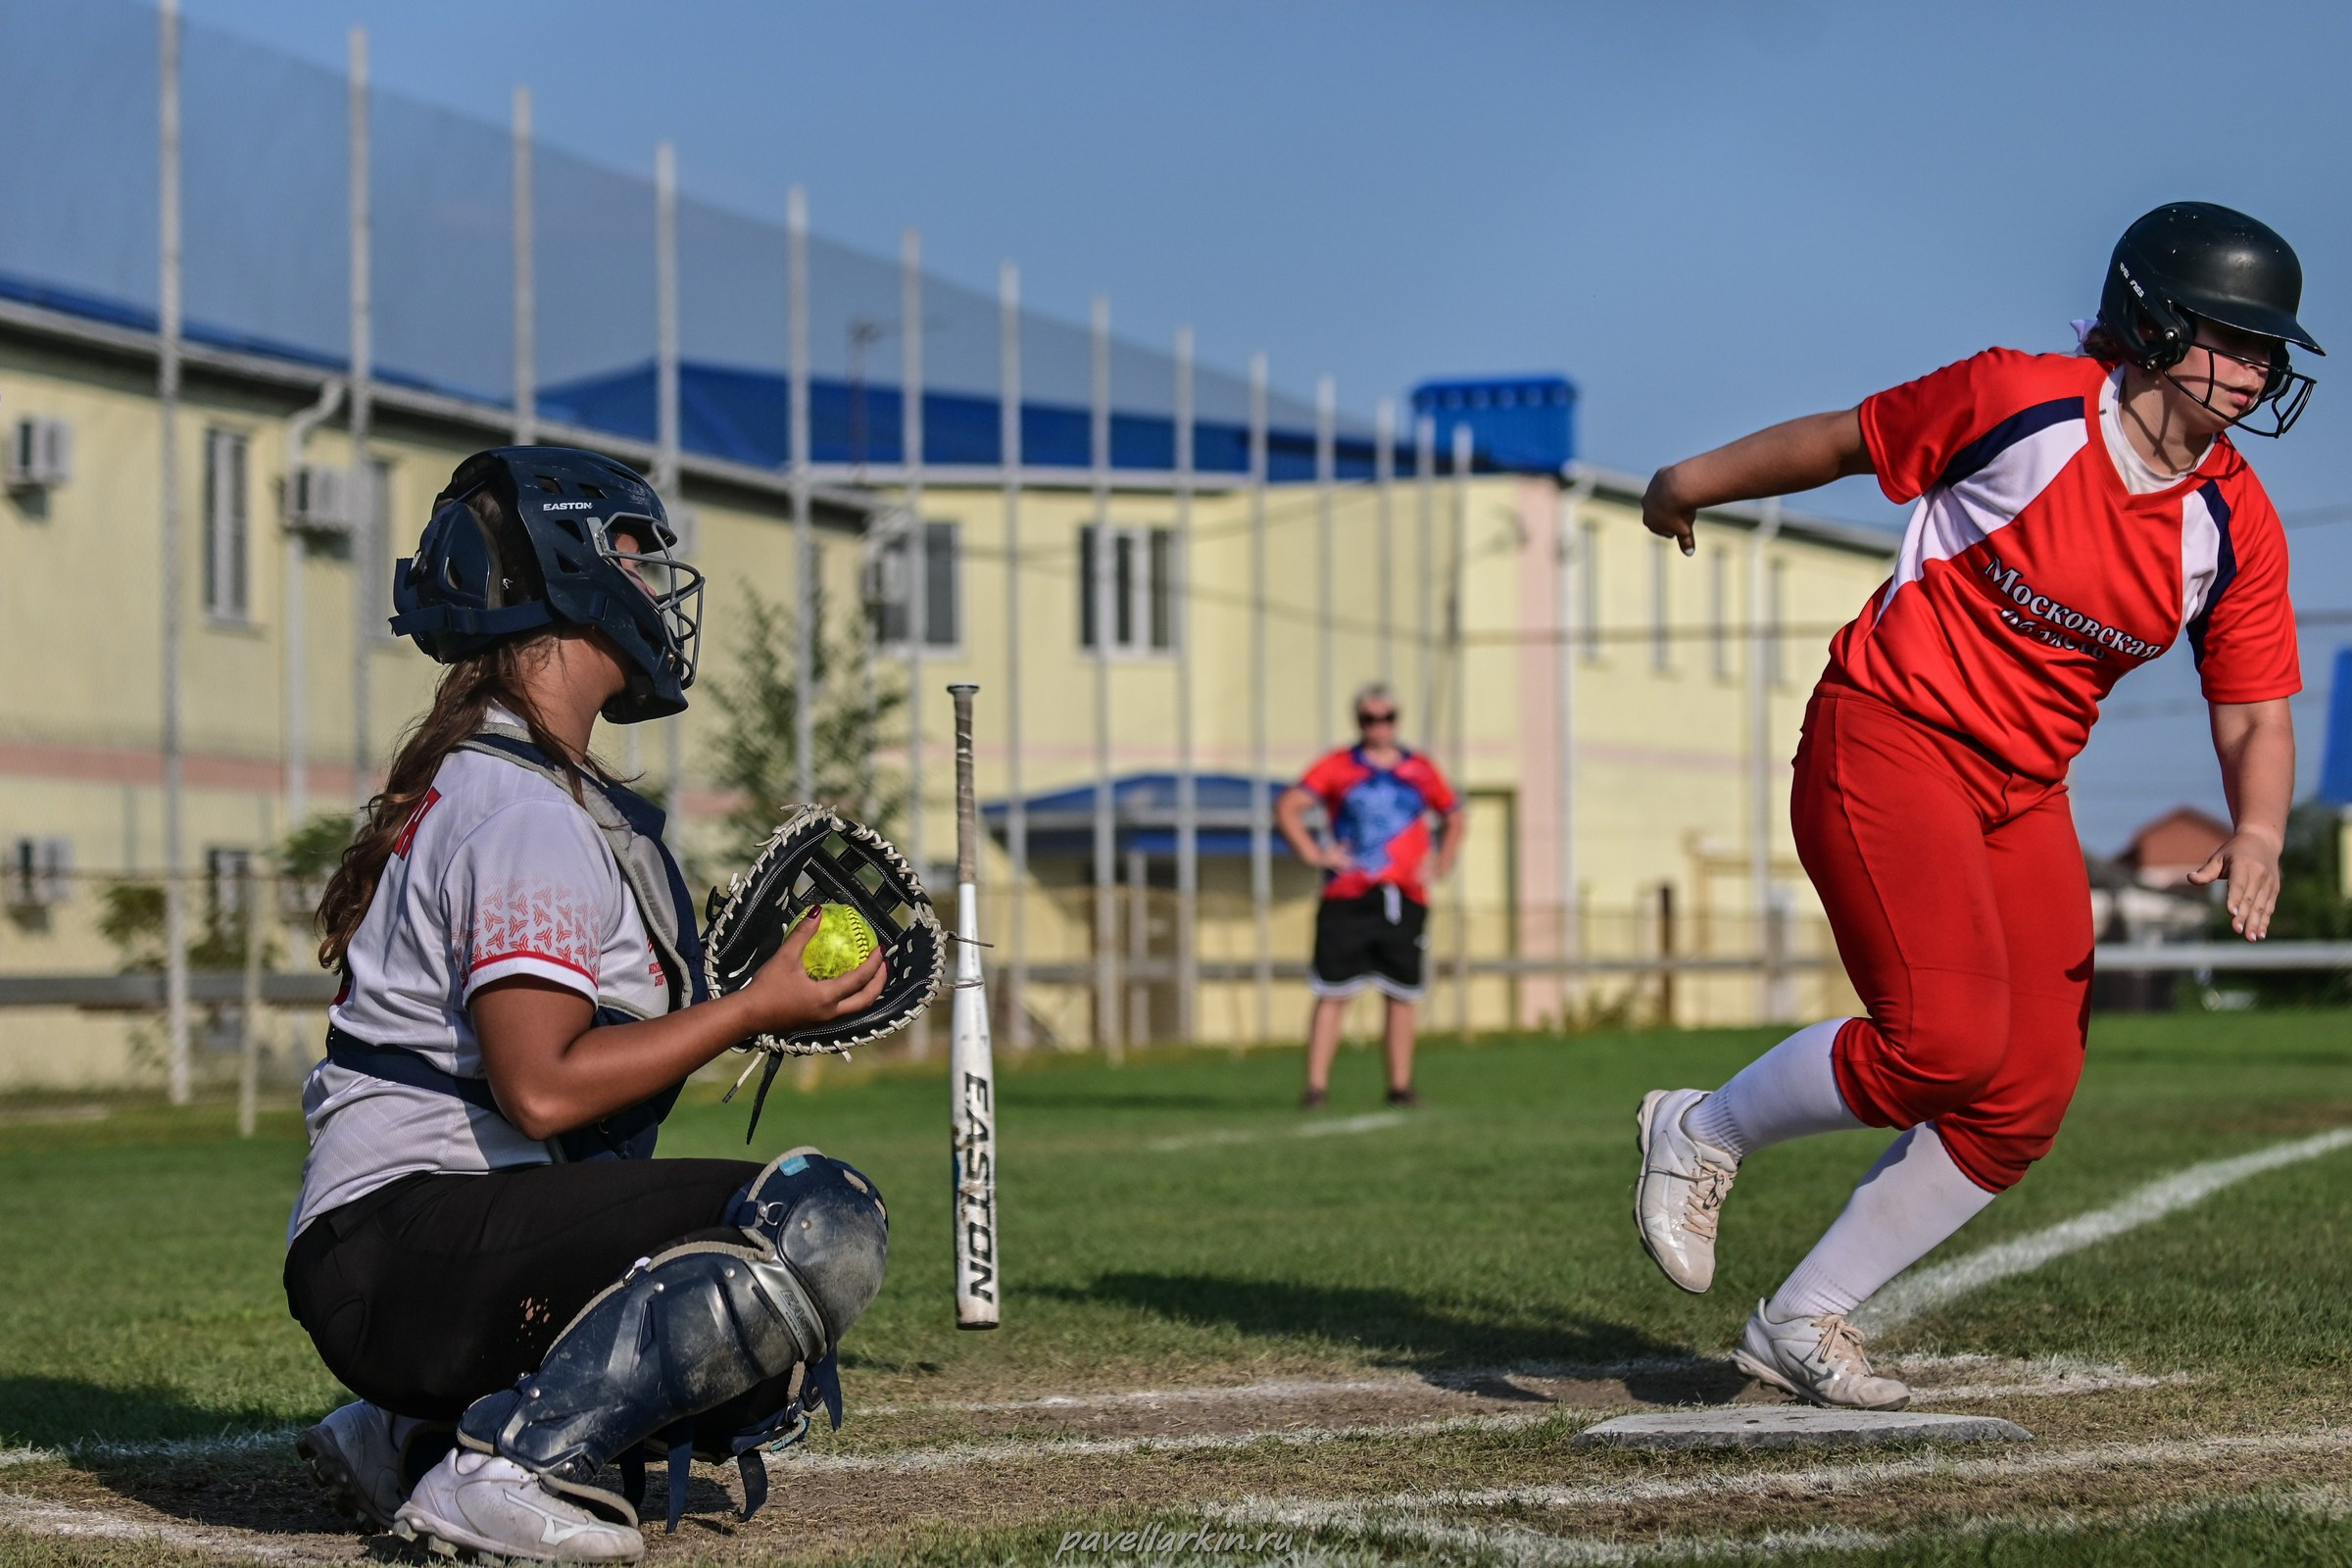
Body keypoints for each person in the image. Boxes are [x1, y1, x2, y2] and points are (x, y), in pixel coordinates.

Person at [1631, 203, 2312, 1409]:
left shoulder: (2233, 517)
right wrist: (1689, 481)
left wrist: (2257, 828)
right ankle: (1701, 1127)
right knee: (1941, 1040)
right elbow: (1846, 441)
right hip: (1889, 736)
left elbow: (2255, 706)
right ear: (2153, 322)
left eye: (2270, 350)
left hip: (2021, 791)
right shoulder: (2024, 400)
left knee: (2023, 1095)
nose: (2257, 371)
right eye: (2234, 338)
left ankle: (1804, 1316)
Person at [281, 447, 894, 1564]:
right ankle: (506, 1466)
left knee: (739, 1301)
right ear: (567, 572)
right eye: (631, 554)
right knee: (814, 1220)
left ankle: (414, 1434)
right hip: (399, 1248)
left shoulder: (506, 779)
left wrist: (751, 1008)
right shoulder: (523, 810)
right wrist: (749, 1009)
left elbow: (565, 1097)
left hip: (398, 1248)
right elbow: (542, 1085)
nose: (655, 587)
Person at [1277, 683, 1465, 1108]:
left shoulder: (1420, 769)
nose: (1378, 727)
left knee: (1401, 993)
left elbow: (1454, 816)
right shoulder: (1338, 766)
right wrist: (1314, 852)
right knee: (1334, 991)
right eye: (1369, 719)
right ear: (1358, 721)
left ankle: (1400, 1085)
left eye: (1386, 718)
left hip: (1404, 895)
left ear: (1397, 720)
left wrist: (1440, 862)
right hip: (1348, 895)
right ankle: (1316, 1088)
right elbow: (1289, 806)